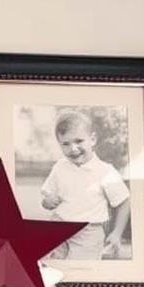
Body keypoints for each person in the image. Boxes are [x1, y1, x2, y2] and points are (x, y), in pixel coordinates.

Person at [40, 108, 131, 261]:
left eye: (79, 141)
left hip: (88, 232)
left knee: (80, 271)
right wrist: (47, 202)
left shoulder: (105, 171)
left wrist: (117, 233)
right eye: (65, 144)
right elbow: (47, 197)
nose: (73, 149)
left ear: (92, 139)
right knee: (54, 268)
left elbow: (124, 201)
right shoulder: (60, 167)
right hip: (58, 225)